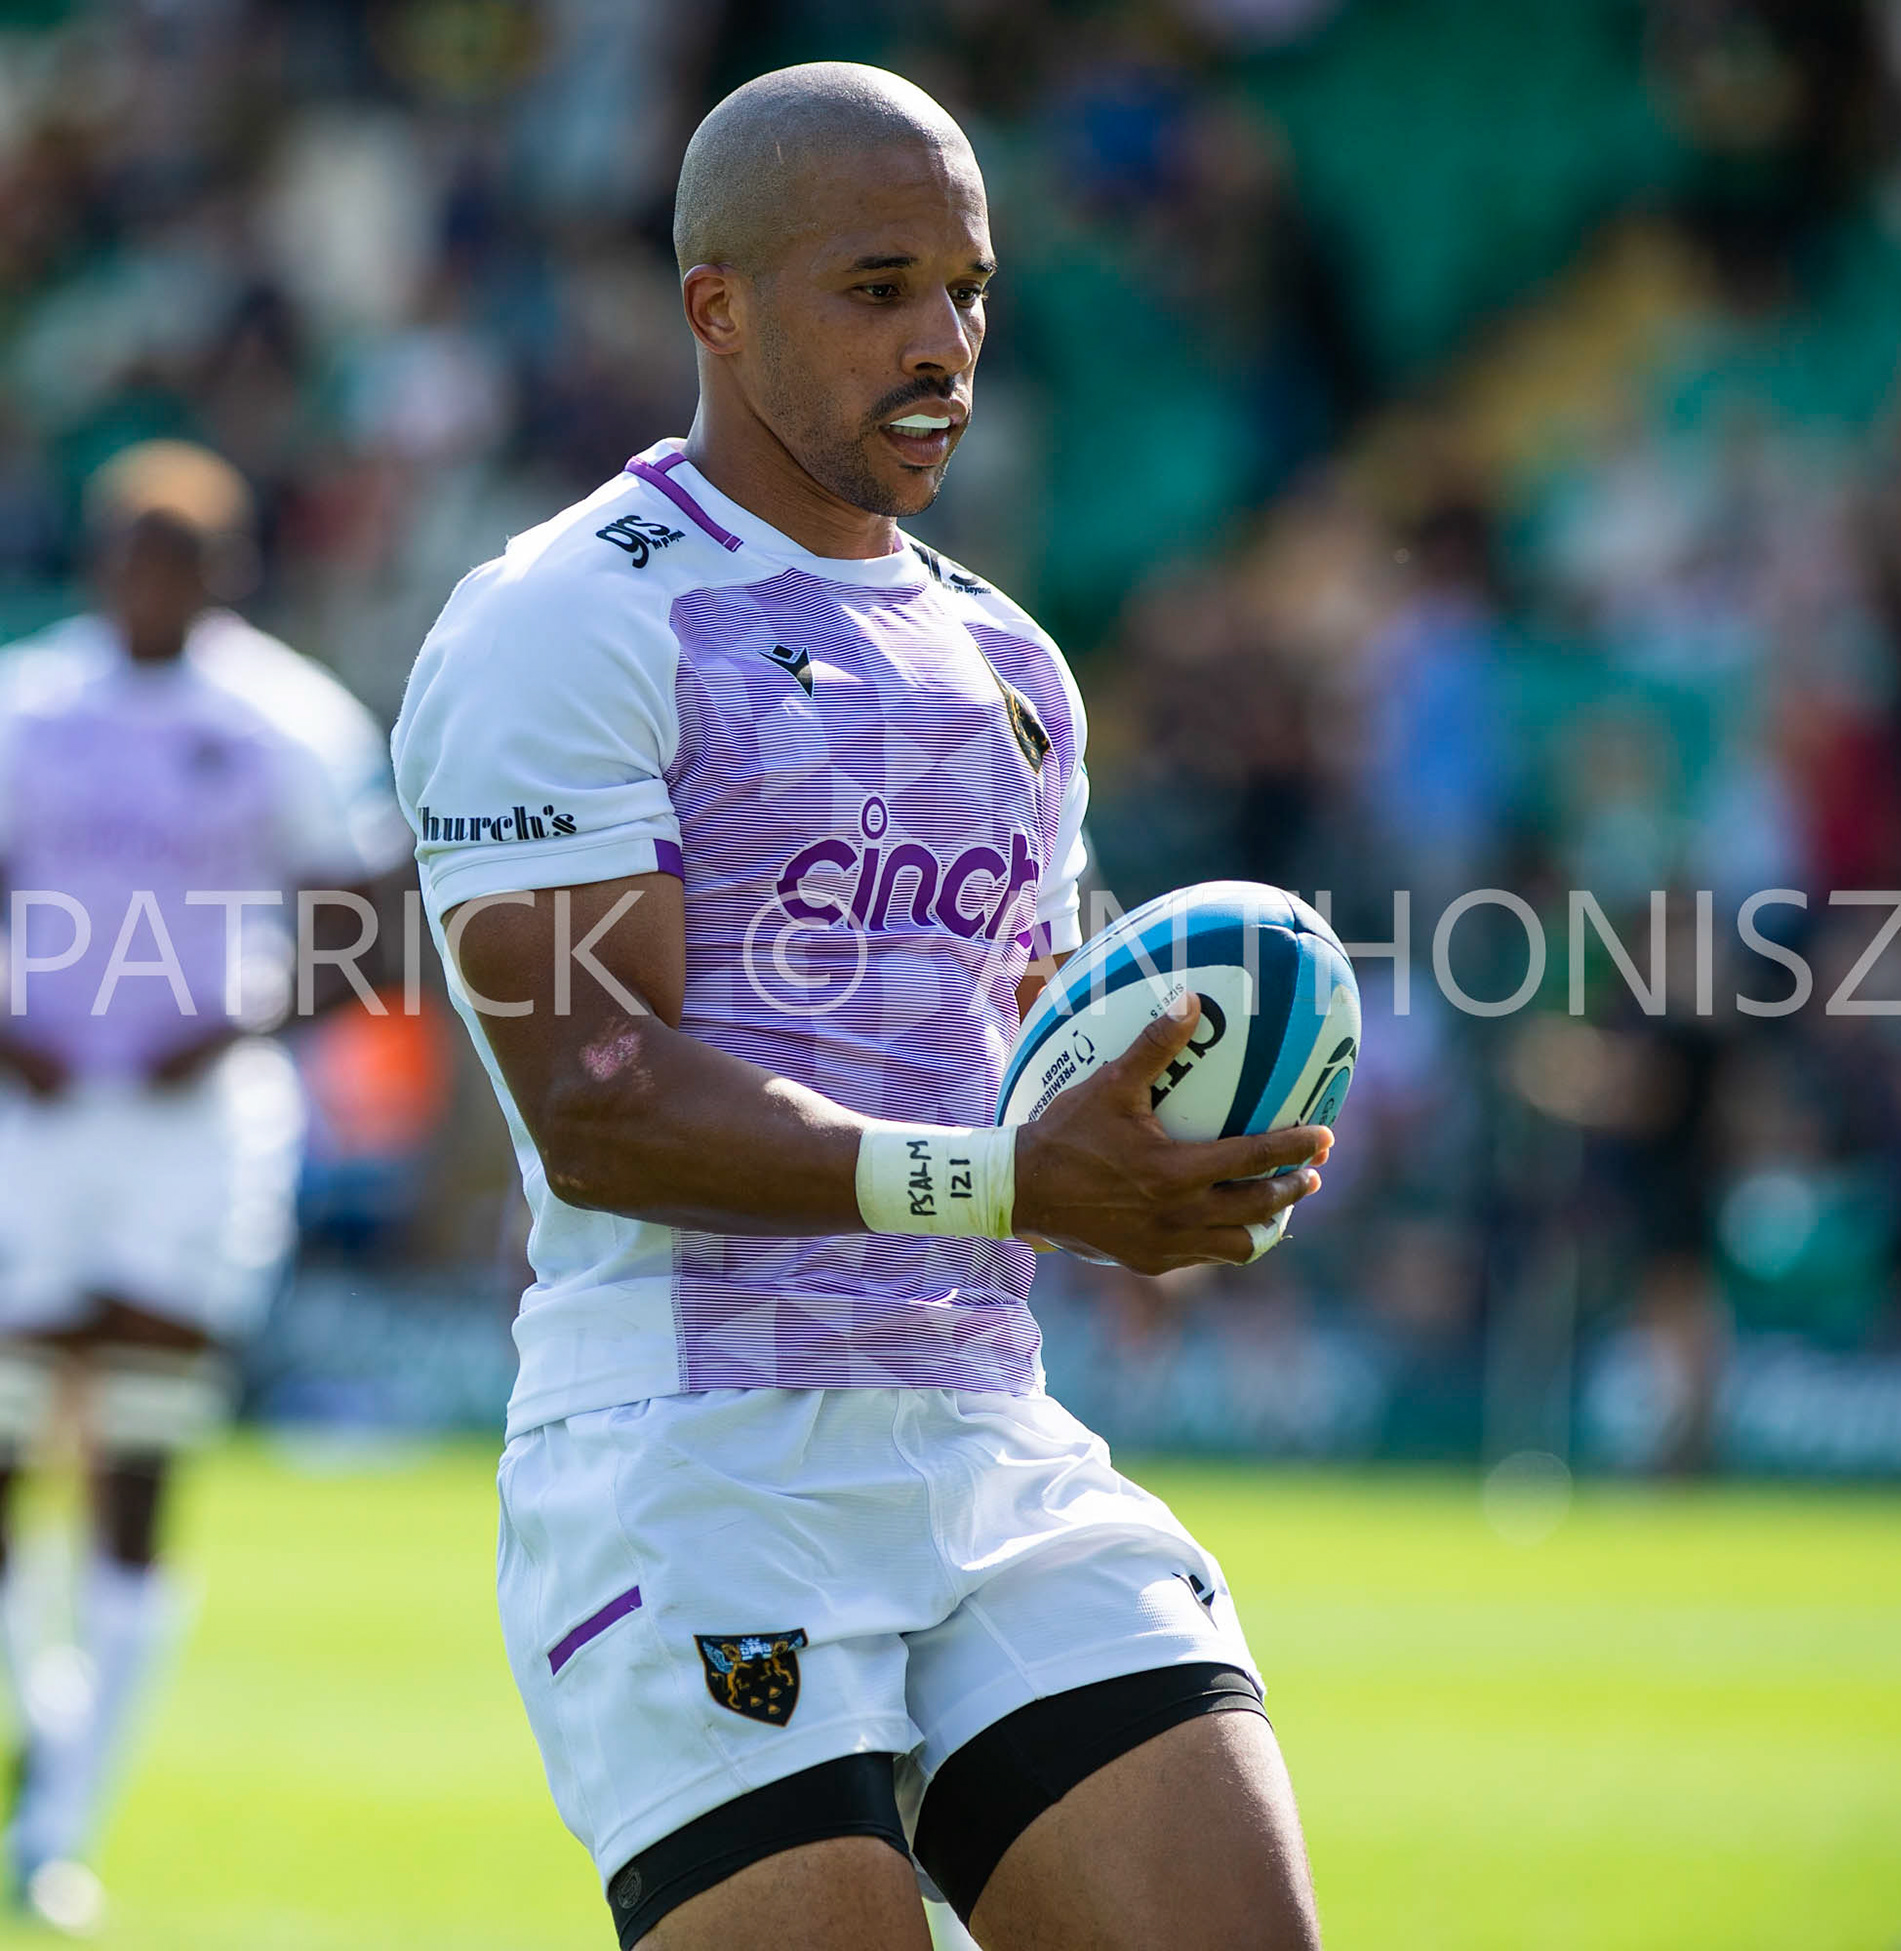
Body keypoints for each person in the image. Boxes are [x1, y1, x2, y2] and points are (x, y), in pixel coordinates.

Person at [393, 64, 1332, 1951]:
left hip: (987, 1433)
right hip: (692, 1456)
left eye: (972, 289)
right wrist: (1011, 1183)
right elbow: (600, 1099)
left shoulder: (1010, 657)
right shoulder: (562, 618)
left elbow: (1036, 1016)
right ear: (715, 306)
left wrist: (1173, 1129)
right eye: (880, 286)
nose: (947, 344)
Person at [0, 440, 411, 1932]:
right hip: (28, 1120)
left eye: (184, 558)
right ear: (100, 561)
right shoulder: (30, 702)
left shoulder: (285, 717)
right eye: (131, 552)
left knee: (139, 1460)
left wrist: (239, 1021)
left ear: (227, 573)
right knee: (10, 1441)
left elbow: (377, 918)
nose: (152, 580)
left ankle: (59, 1820)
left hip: (197, 1135)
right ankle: (42, 1714)